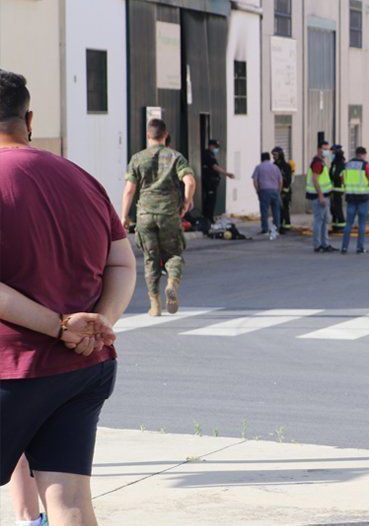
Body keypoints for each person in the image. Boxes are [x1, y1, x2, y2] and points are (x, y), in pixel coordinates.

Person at [0, 69, 137, 524]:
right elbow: (122, 263)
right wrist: (100, 324)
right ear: (29, 117)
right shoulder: (79, 176)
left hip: (14, 368)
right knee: (70, 498)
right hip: (85, 367)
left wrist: (61, 327)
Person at [121, 118, 196, 316]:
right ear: (166, 135)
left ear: (148, 135)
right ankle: (171, 282)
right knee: (173, 254)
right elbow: (189, 181)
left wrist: (124, 216)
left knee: (150, 259)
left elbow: (129, 190)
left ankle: (154, 304)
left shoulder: (137, 158)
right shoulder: (175, 157)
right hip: (169, 214)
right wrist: (186, 203)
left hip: (144, 215)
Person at [340, 146, 369, 254]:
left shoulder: (347, 164)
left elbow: (341, 177)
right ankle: (360, 248)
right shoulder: (366, 165)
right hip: (363, 197)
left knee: (348, 223)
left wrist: (348, 186)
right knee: (362, 224)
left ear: (355, 153)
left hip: (351, 197)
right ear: (364, 154)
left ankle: (344, 247)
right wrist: (367, 187)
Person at [307, 141, 336, 252]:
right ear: (319, 149)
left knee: (325, 220)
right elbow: (315, 180)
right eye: (325, 149)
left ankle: (325, 244)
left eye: (328, 149)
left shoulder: (321, 162)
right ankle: (318, 245)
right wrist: (321, 196)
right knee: (319, 220)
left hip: (323, 195)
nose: (327, 151)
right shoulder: (317, 163)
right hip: (319, 196)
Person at [200, 139, 234, 222]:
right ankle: (208, 218)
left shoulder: (210, 154)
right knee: (210, 201)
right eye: (215, 147)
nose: (216, 149)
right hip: (209, 182)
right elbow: (214, 166)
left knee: (210, 200)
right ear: (210, 146)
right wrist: (227, 174)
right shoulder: (208, 154)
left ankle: (208, 218)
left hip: (211, 181)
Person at [252, 152, 283, 240]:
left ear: (261, 158)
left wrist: (258, 190)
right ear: (269, 158)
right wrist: (278, 191)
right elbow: (280, 180)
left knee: (264, 211)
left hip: (264, 191)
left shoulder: (259, 167)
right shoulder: (275, 167)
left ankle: (265, 229)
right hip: (275, 190)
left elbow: (255, 181)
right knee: (276, 210)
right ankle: (277, 228)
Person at [272, 146, 293, 230]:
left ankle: (287, 225)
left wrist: (284, 191)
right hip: (276, 190)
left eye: (275, 154)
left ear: (280, 155)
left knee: (285, 208)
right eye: (273, 155)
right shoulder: (274, 165)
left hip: (285, 190)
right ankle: (279, 224)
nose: (274, 156)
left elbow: (288, 179)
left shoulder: (286, 166)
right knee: (277, 208)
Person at [330, 143, 347, 234]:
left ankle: (341, 225)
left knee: (337, 207)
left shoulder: (340, 163)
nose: (331, 154)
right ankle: (336, 225)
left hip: (338, 188)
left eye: (332, 152)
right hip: (333, 188)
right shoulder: (334, 163)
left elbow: (339, 175)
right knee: (333, 208)